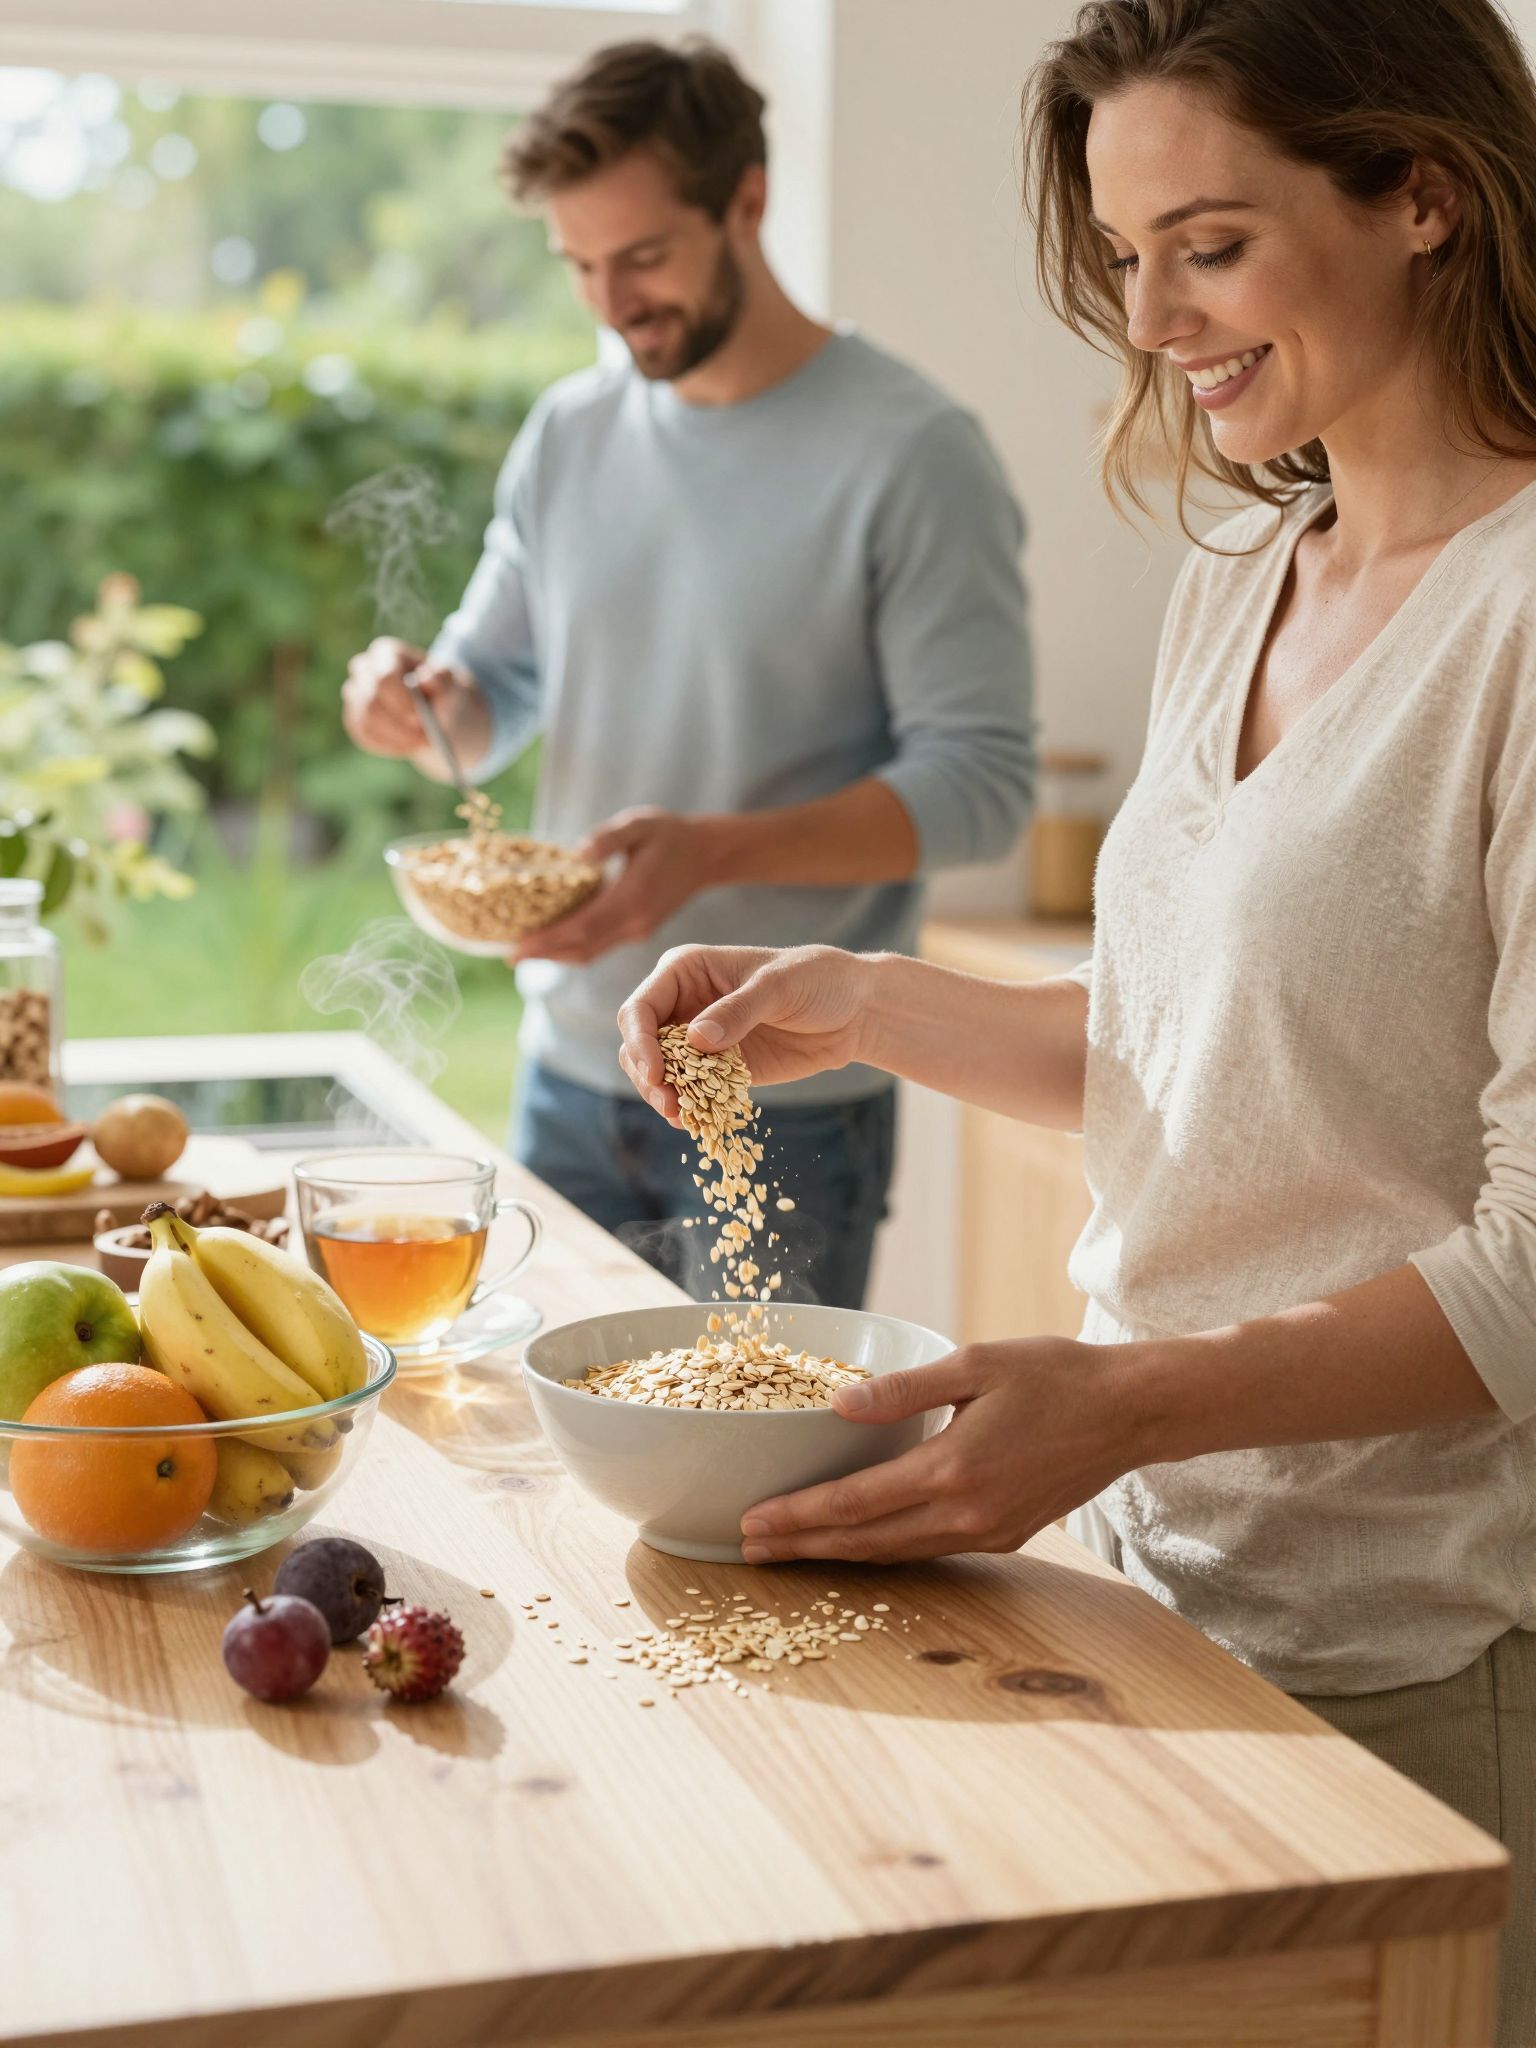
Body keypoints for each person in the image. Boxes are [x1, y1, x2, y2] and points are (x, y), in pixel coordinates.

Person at [617, 1, 1536, 2035]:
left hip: (1405, 1655)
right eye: (1128, 258)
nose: (1151, 317)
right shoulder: (1250, 569)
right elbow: (1202, 1037)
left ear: (1423, 198)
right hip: (1134, 1587)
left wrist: (1122, 1398)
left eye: (1207, 243)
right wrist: (860, 1002)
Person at [341, 38, 1035, 1310]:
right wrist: (413, 702)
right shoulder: (570, 433)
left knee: (754, 1491)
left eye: (645, 257)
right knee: (550, 1472)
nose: (613, 301)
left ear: (747, 203)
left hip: (784, 1087)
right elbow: (489, 685)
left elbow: (982, 787)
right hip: (569, 1062)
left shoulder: (913, 452)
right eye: (582, 266)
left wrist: (711, 850)